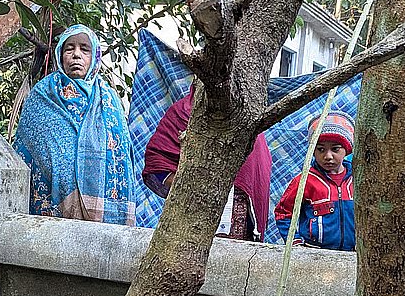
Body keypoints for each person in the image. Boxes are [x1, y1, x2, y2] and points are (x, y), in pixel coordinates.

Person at [14, 24, 136, 225]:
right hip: (54, 207)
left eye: (84, 49)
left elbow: (122, 153)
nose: (76, 55)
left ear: (94, 57)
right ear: (60, 55)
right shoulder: (42, 95)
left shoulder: (109, 99)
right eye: (69, 48)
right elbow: (30, 148)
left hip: (105, 209)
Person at [142, 88, 271, 241]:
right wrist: (193, 187)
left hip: (238, 222)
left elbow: (257, 178)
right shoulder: (182, 112)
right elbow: (157, 163)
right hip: (190, 215)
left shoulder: (248, 122)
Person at [274, 112, 356, 251]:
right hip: (314, 253)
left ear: (347, 149)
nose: (328, 156)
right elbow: (283, 213)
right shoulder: (305, 181)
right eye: (321, 149)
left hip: (353, 254)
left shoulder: (359, 180)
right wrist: (295, 241)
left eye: (335, 149)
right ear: (313, 151)